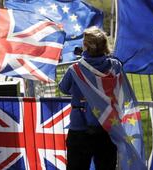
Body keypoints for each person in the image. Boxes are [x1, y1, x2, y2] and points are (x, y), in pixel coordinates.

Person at [59, 27, 118, 169]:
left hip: (80, 127)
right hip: (107, 125)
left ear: (86, 46)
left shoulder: (75, 69)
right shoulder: (115, 67)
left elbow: (63, 88)